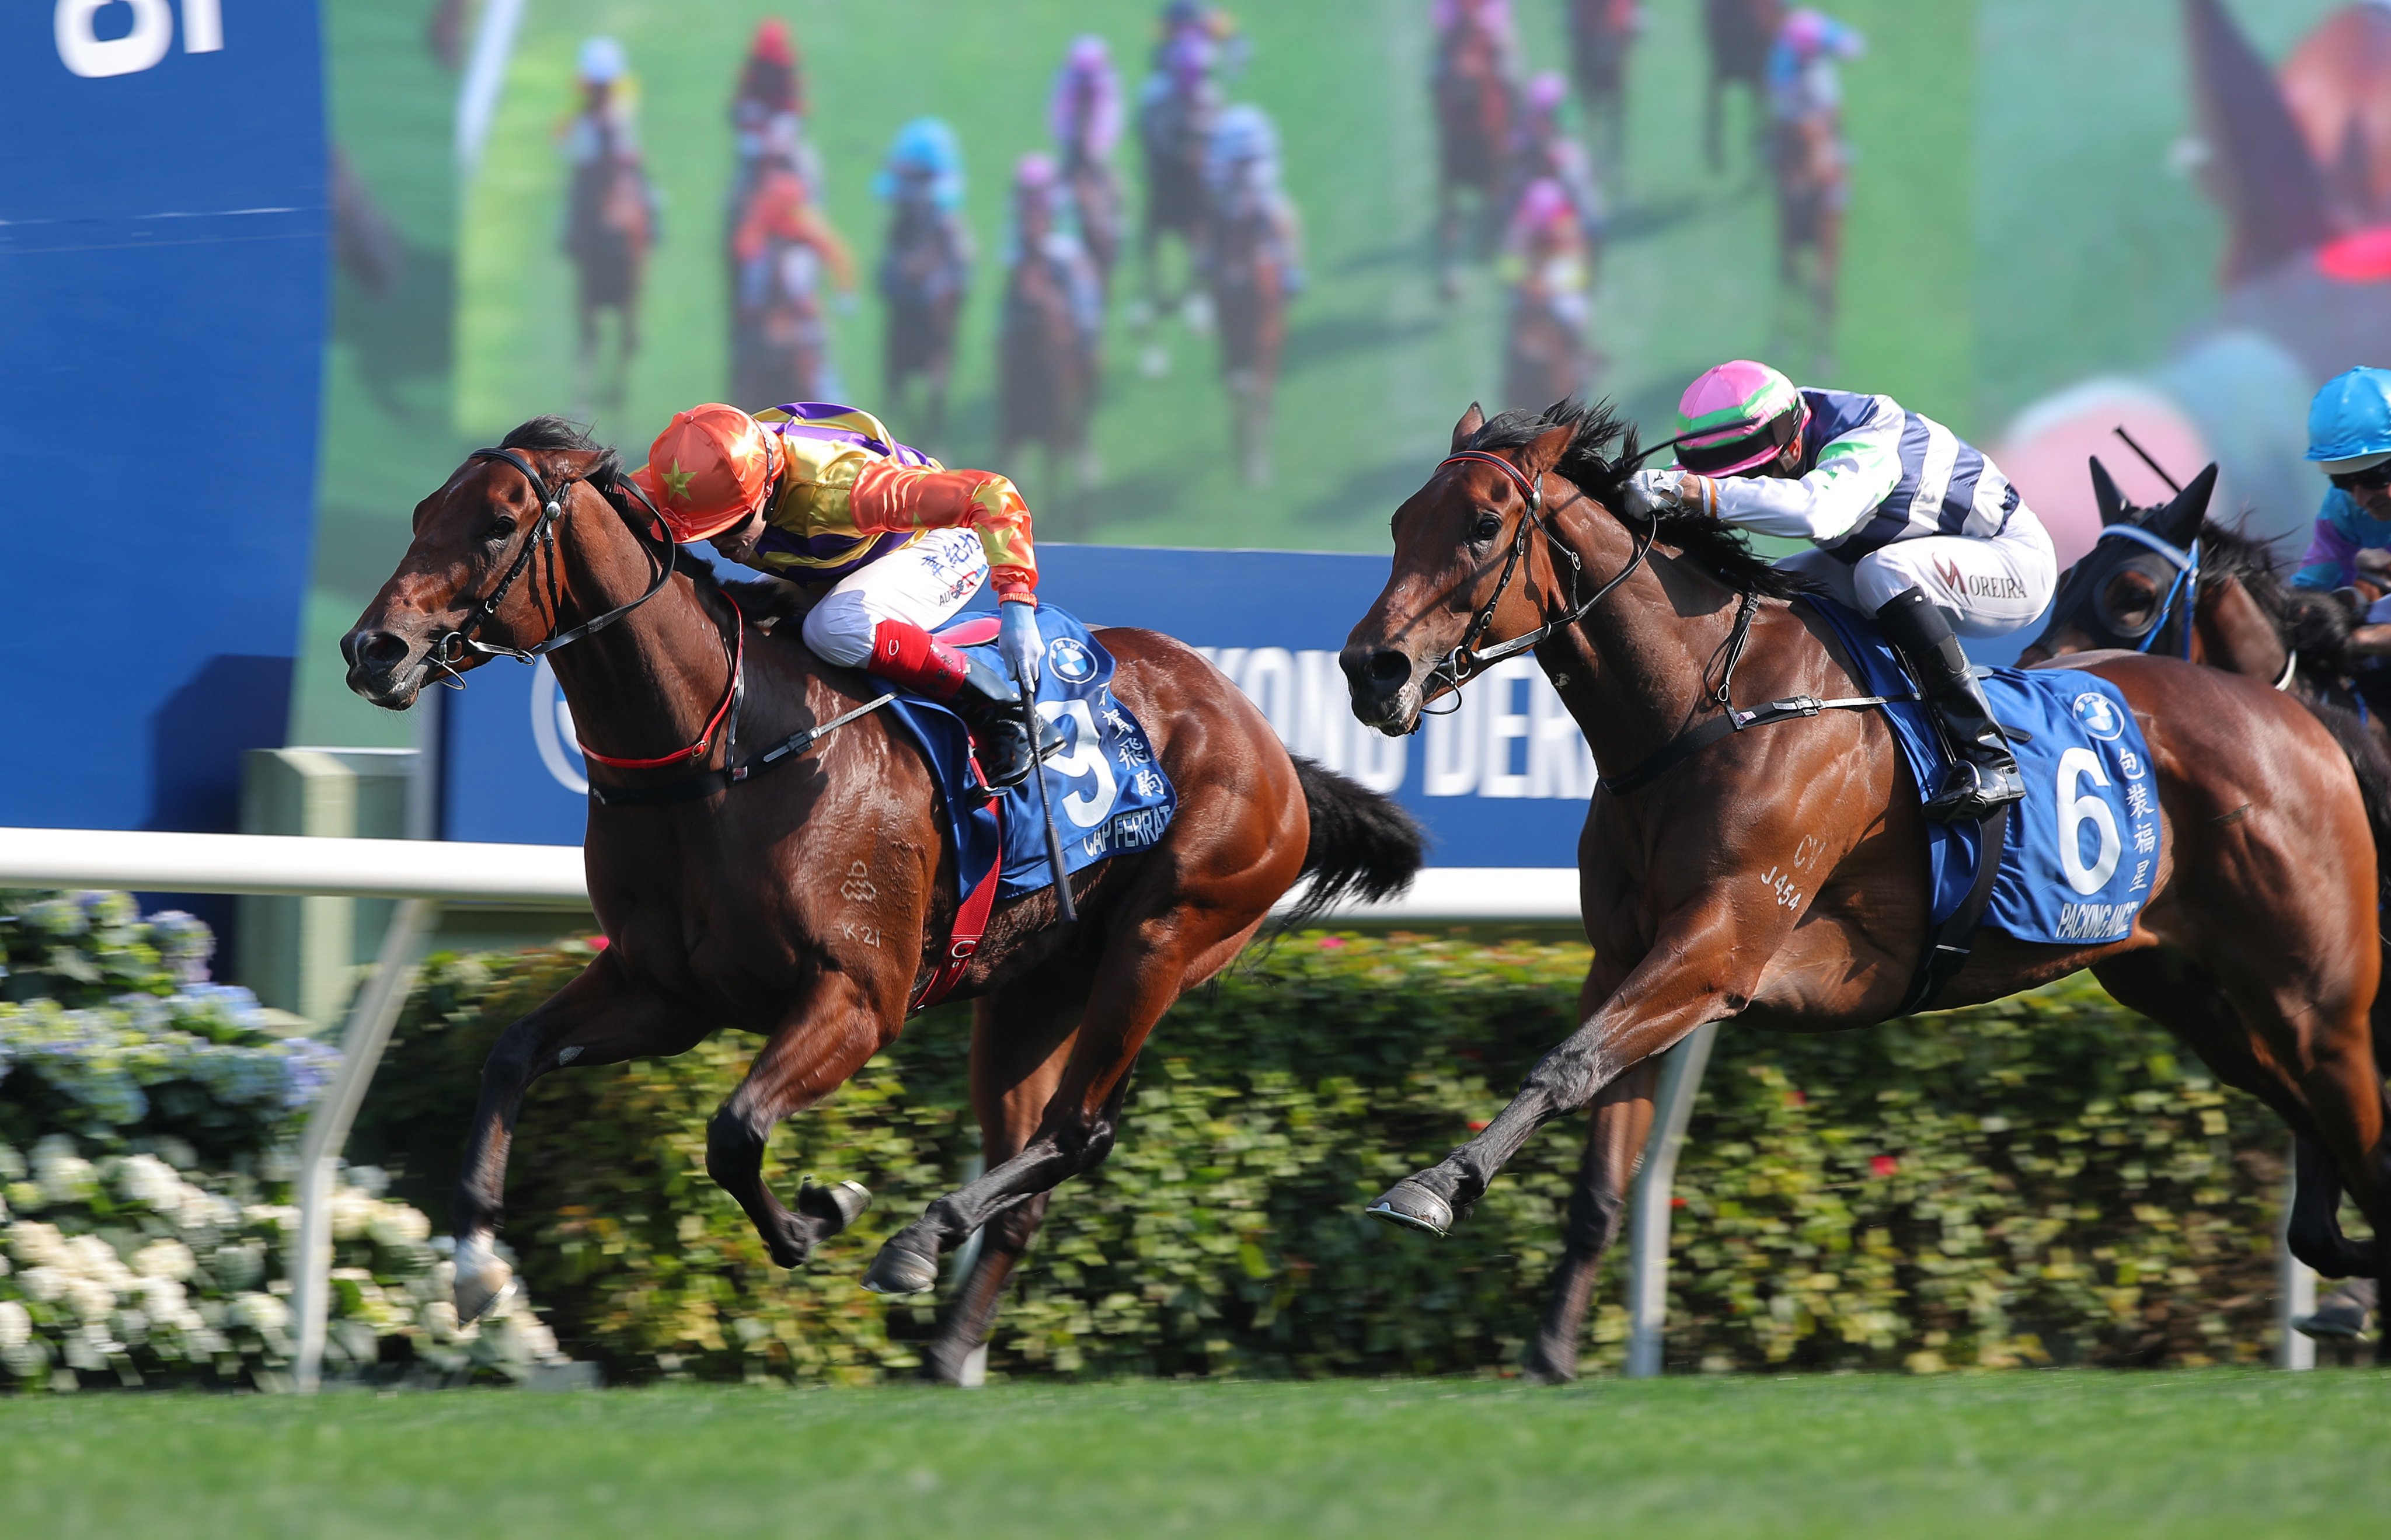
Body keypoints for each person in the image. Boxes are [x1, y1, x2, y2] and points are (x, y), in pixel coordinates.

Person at [1625, 361, 2056, 821]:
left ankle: (1988, 755)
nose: (1749, 486)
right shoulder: (1762, 423)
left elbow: (1819, 514)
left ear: (1790, 443)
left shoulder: (1868, 437)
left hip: (2013, 564)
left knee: (1882, 573)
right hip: (1896, 555)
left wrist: (1696, 492)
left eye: (1754, 473)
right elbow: (1679, 487)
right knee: (1776, 589)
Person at [629, 403, 1059, 785]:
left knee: (832, 627)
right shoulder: (687, 478)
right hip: (837, 559)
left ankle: (1008, 712)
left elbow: (992, 496)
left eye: (732, 526)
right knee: (734, 622)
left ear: (766, 489)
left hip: (937, 540)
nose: (721, 543)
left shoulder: (845, 491)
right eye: (706, 532)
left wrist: (1017, 599)